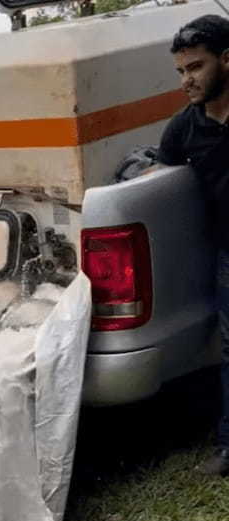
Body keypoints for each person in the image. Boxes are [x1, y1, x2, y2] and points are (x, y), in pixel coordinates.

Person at [158, 14, 229, 474]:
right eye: (182, 71)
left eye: (196, 67)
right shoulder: (182, 130)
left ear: (227, 60)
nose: (188, 80)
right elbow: (161, 178)